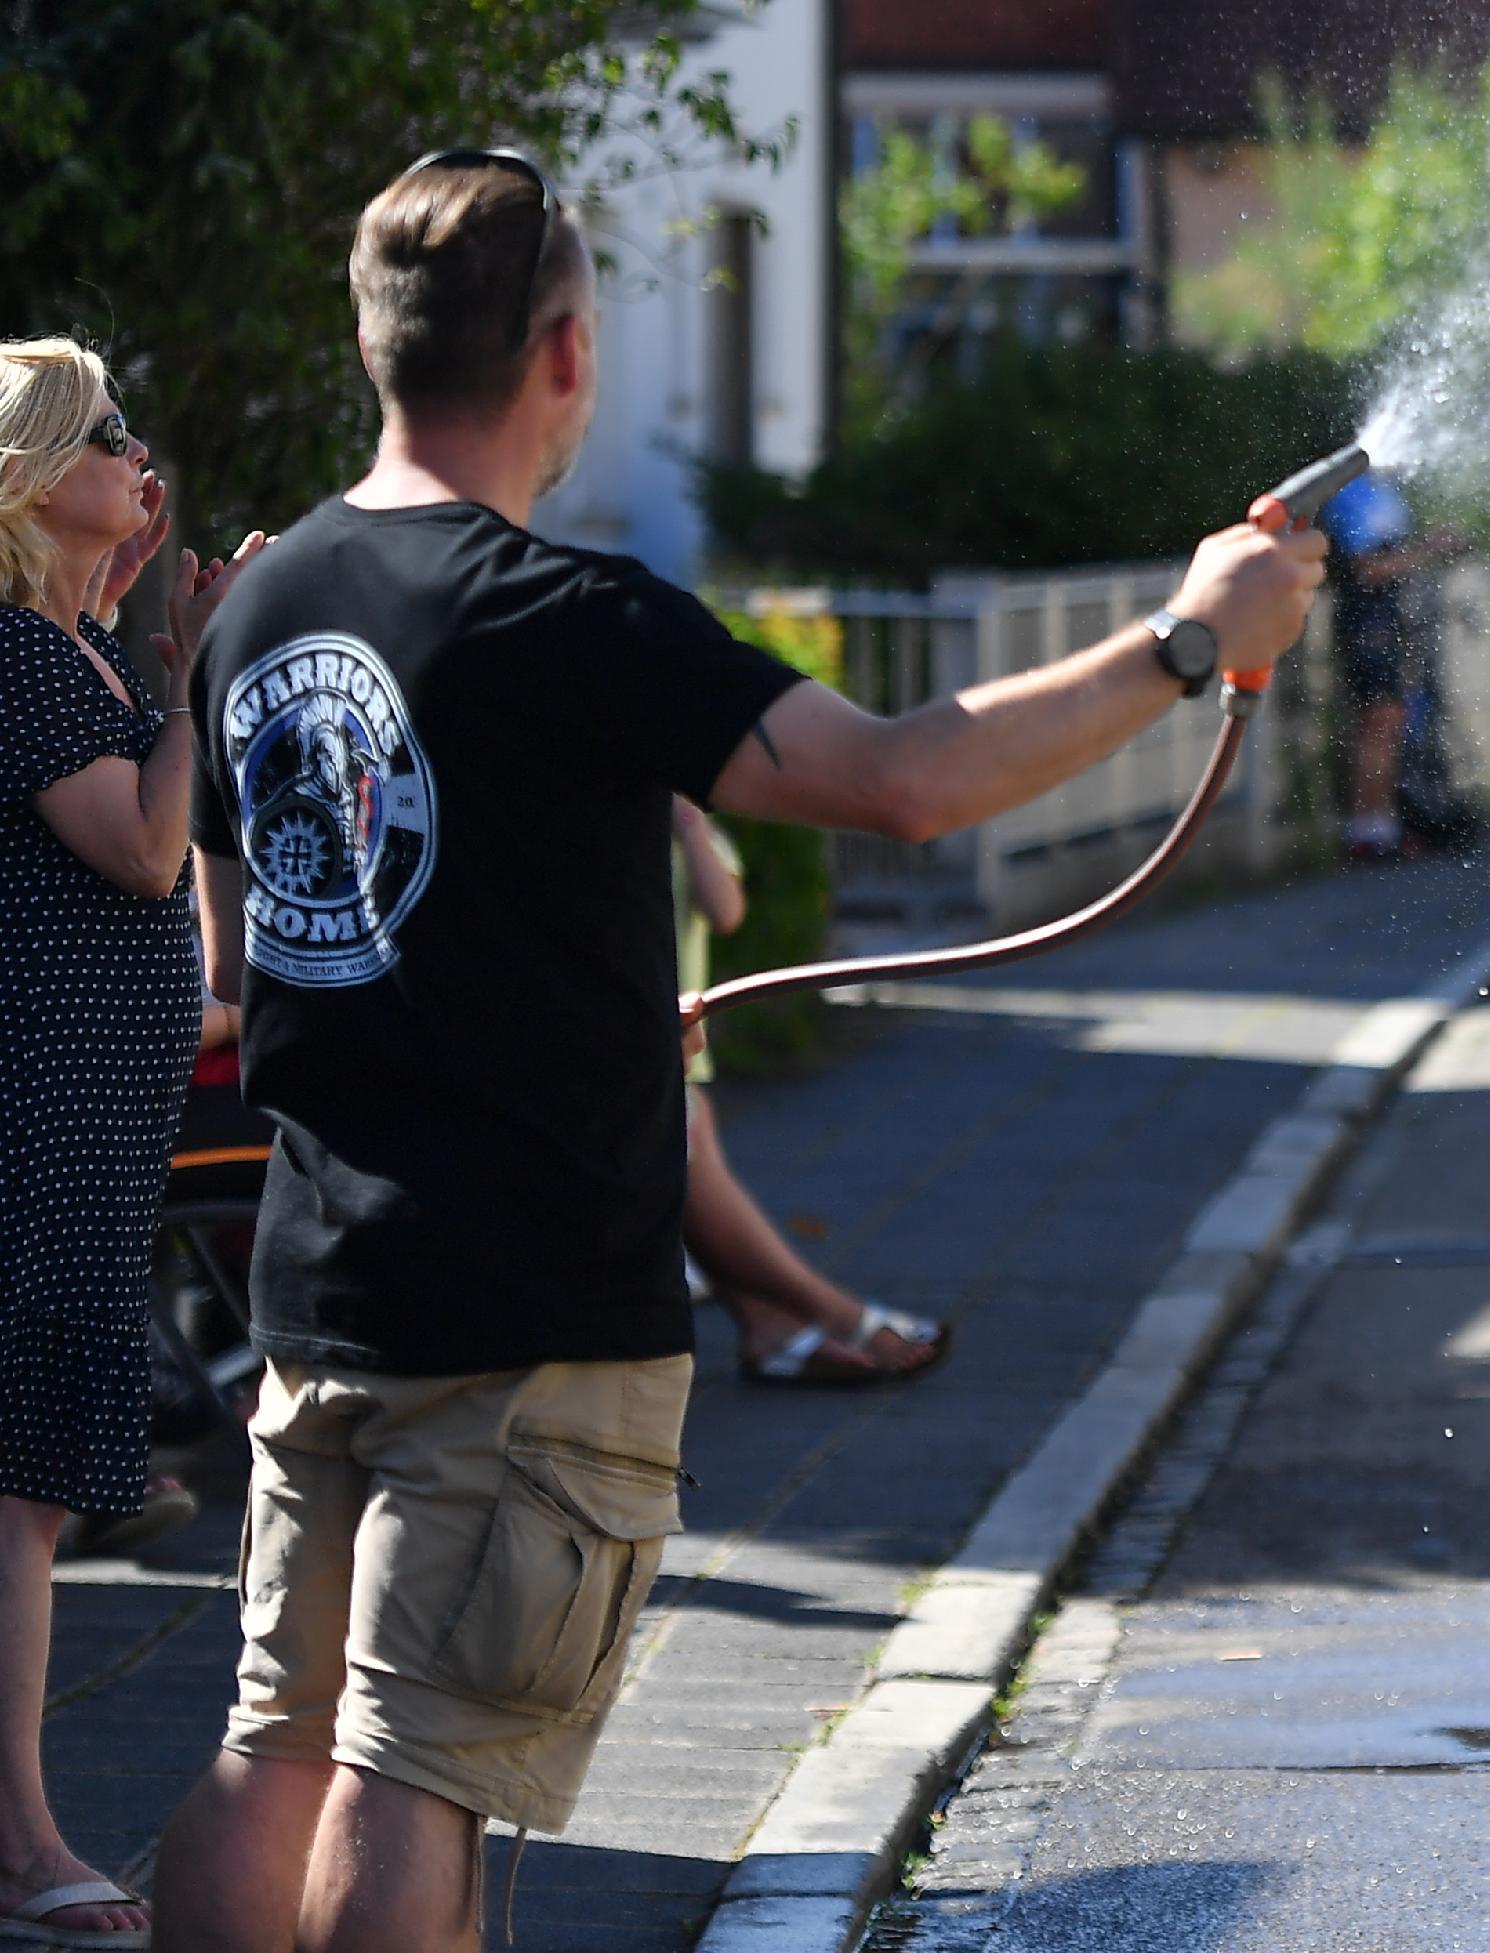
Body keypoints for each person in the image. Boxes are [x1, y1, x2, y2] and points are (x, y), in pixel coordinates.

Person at [151, 149, 1321, 1953]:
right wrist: (1190, 640)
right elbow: (905, 777)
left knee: (273, 1749)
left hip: (320, 1292)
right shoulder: (574, 617)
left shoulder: (258, 603)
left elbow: (247, 958)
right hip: (525, 1312)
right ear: (563, 354)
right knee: (414, 1773)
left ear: (377, 344)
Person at [0, 336, 262, 1948]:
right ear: (29, 476)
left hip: (86, 1120)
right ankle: (20, 1847)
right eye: (108, 430)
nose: (138, 446)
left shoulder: (63, 652)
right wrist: (191, 661)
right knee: (17, 1487)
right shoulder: (26, 663)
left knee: (28, 1484)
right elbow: (150, 848)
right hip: (41, 1116)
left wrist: (139, 628)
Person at [672, 796, 945, 1385]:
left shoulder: (686, 831)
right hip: (639, 1045)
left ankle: (775, 1326)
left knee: (691, 1171)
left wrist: (689, 825)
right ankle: (826, 1314)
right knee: (691, 1168)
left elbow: (724, 911)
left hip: (678, 1043)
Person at [1318, 470, 1463, 860]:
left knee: (1389, 722)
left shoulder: (1386, 492)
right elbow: (1368, 569)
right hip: (1366, 621)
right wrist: (1429, 549)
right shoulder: (1351, 496)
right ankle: (1367, 832)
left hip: (1388, 618)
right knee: (1376, 725)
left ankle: (1382, 828)